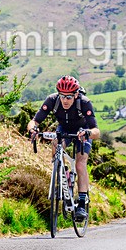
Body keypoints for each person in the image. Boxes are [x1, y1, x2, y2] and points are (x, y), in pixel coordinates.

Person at [28, 75, 100, 221]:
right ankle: (63, 175)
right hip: (64, 129)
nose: (65, 100)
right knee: (55, 146)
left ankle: (81, 203)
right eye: (62, 96)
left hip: (83, 131)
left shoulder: (84, 103)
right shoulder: (52, 100)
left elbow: (96, 131)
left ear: (76, 95)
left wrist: (88, 133)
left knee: (80, 163)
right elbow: (34, 121)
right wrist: (33, 129)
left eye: (69, 97)